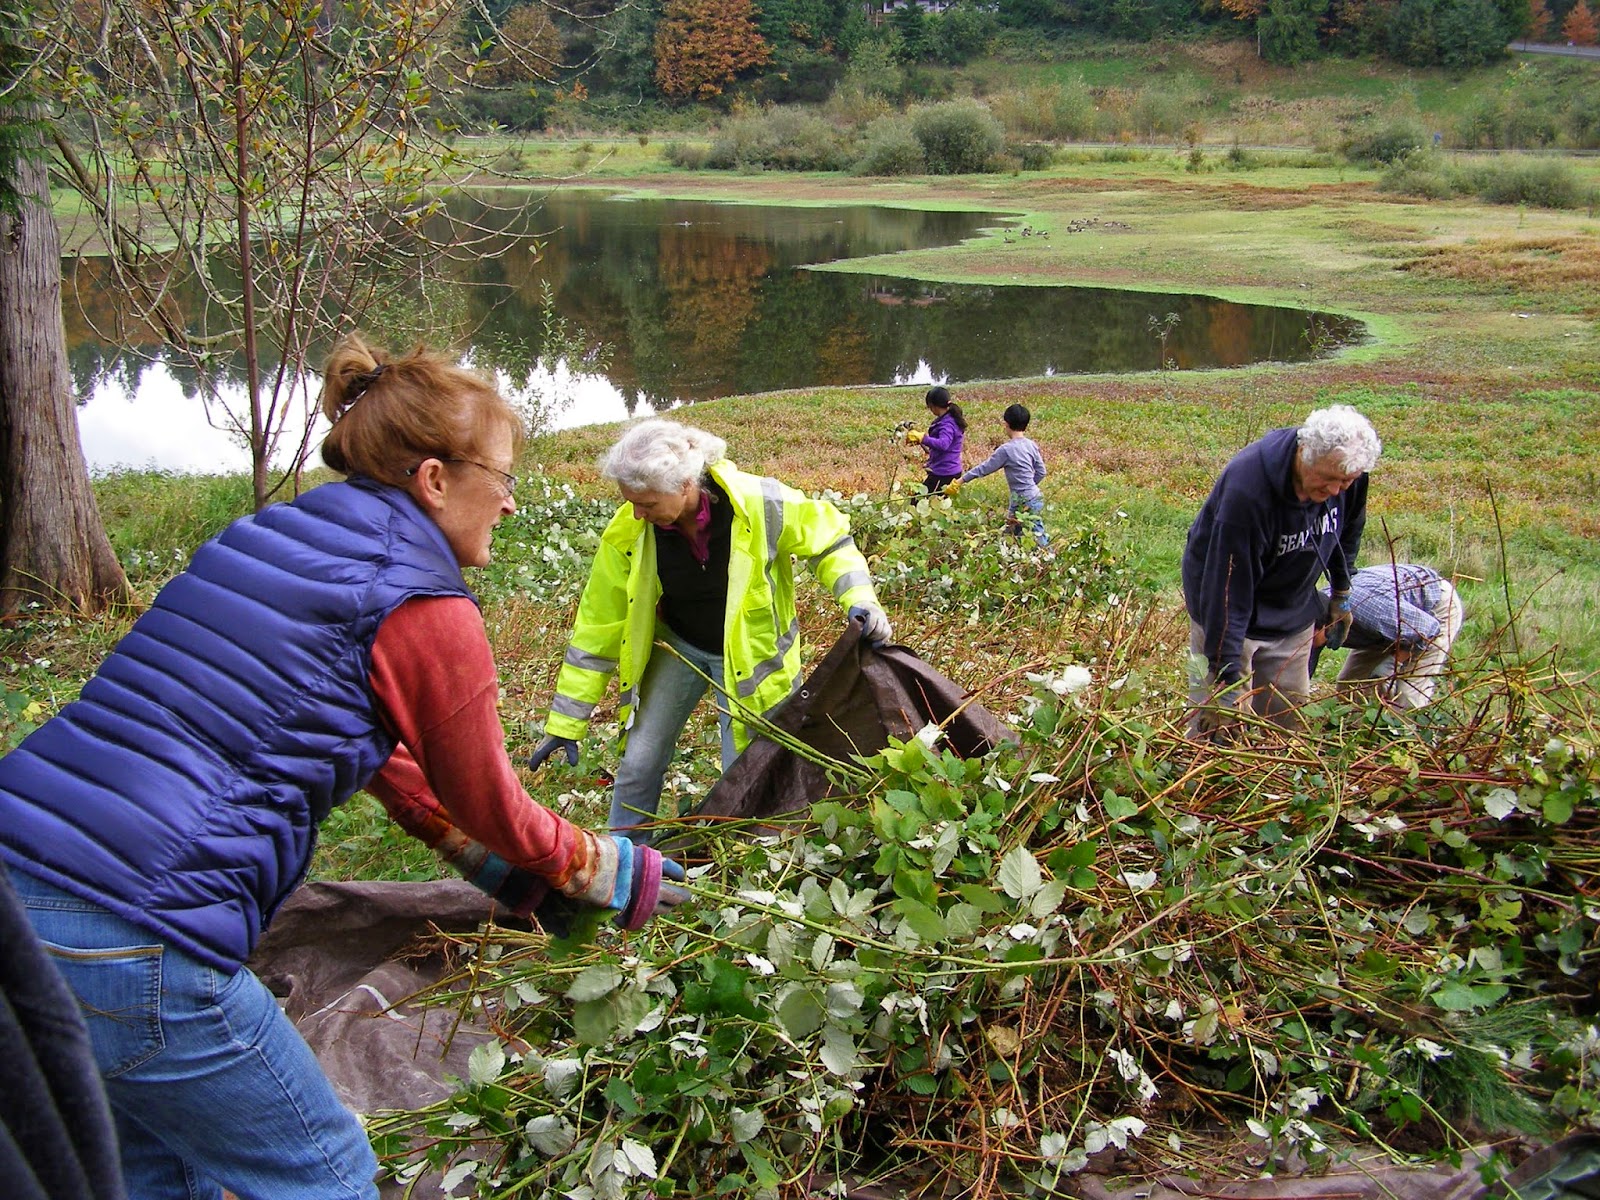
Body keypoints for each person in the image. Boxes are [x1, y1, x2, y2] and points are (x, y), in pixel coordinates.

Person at [0, 334, 687, 1200]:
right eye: (504, 478)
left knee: (155, 1168)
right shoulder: (423, 603)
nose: (512, 505)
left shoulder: (272, 537)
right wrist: (608, 870)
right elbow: (490, 803)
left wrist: (503, 875)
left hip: (19, 895)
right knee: (326, 1173)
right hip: (141, 929)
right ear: (434, 479)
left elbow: (390, 770)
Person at [528, 418, 893, 842]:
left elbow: (831, 542)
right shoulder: (630, 530)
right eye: (631, 502)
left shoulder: (762, 504)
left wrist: (861, 599)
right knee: (639, 761)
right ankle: (624, 857)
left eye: (647, 503)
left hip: (752, 662)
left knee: (745, 773)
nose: (637, 513)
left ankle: (741, 857)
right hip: (679, 647)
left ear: (685, 484)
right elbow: (598, 625)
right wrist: (567, 721)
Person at [1182, 403, 1381, 740]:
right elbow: (1227, 591)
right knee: (1220, 726)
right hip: (1226, 611)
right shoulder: (1247, 492)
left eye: (1346, 482)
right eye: (1328, 479)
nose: (1336, 491)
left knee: (1286, 720)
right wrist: (1224, 676)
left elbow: (1346, 531)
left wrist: (1341, 592)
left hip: (1292, 608)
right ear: (1304, 453)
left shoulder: (1349, 475)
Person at [1312, 562, 1464, 709]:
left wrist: (1392, 664)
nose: (1305, 642)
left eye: (1308, 638)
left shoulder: (1370, 611)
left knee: (1406, 695)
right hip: (1388, 625)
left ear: (1328, 625)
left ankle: (1406, 724)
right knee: (1350, 686)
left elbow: (1428, 630)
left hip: (1431, 610)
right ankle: (1361, 723)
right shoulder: (1314, 611)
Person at [945, 403, 1048, 548]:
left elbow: (983, 469)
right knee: (1012, 533)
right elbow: (1041, 471)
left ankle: (1049, 556)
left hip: (1023, 501)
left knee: (1037, 536)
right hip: (1034, 497)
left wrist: (960, 481)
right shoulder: (1031, 444)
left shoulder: (1006, 450)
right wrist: (1030, 486)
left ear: (1006, 424)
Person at [900, 384, 967, 493]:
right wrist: (920, 441)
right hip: (948, 470)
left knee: (918, 499)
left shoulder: (947, 424)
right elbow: (935, 448)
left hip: (945, 473)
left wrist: (923, 438)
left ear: (932, 406)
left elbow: (943, 444)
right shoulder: (948, 418)